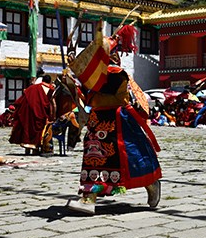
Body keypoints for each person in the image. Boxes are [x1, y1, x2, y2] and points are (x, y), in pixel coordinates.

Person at [66, 22, 162, 215]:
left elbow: (118, 98)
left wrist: (88, 88)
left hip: (119, 121)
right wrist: (73, 80)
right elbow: (85, 96)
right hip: (97, 121)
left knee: (132, 158)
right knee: (93, 158)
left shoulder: (118, 74)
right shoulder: (91, 76)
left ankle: (151, 183)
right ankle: (88, 198)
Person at [9, 75, 56, 155]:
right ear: (50, 81)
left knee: (28, 127)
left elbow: (23, 98)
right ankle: (35, 148)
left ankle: (27, 148)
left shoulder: (32, 87)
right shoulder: (50, 89)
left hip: (27, 111)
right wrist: (53, 115)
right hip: (40, 112)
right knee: (37, 129)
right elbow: (53, 104)